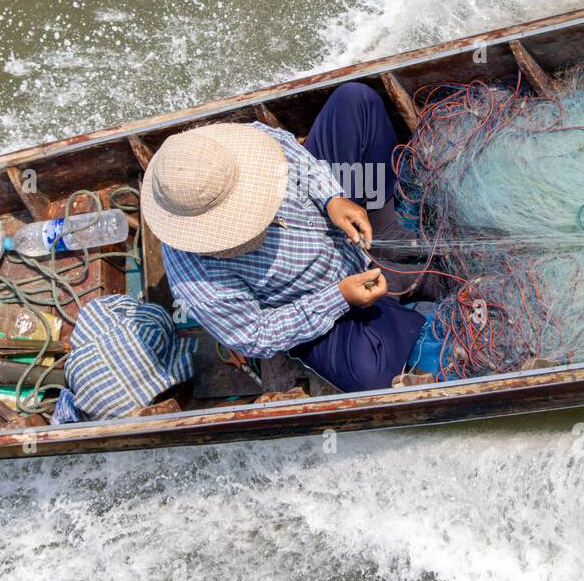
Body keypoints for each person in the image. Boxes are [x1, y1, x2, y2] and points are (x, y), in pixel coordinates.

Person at [142, 83, 426, 392]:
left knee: (355, 101)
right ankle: (384, 313)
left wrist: (331, 197)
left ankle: (385, 217)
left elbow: (284, 145)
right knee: (372, 377)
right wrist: (338, 297)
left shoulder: (224, 153)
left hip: (358, 216)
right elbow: (255, 334)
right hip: (326, 303)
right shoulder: (196, 280)